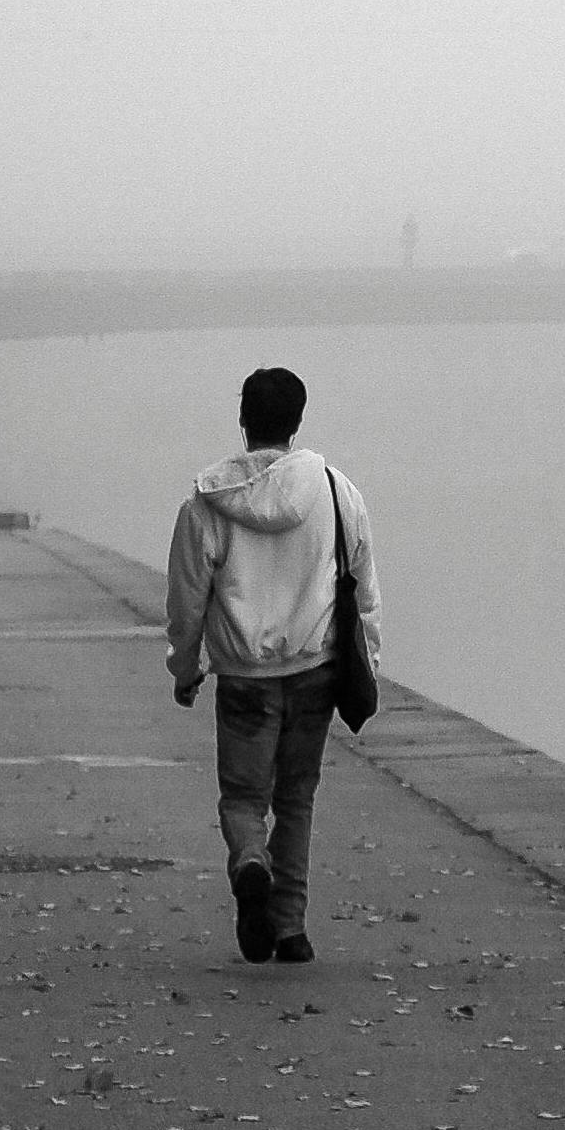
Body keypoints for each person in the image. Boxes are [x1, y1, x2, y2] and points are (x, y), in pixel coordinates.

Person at [160, 366, 379, 965]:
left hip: (244, 679)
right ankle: (291, 930)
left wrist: (185, 667)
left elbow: (186, 598)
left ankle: (250, 862)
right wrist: (370, 668)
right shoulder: (336, 492)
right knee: (298, 797)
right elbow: (363, 594)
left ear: (243, 421)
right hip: (316, 670)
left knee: (242, 798)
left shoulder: (207, 503)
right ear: (298, 421)